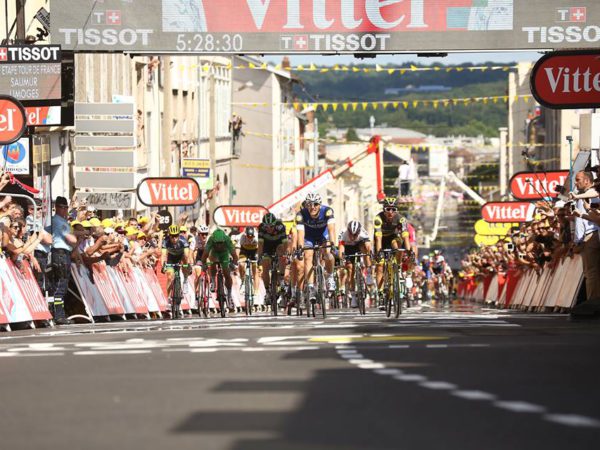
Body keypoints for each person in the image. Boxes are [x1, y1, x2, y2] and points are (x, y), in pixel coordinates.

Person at [295, 192, 336, 303]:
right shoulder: (301, 214)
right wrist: (300, 248)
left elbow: (331, 229)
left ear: (320, 204)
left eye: (315, 204)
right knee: (308, 256)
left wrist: (333, 244)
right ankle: (311, 287)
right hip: (309, 237)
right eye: (309, 204)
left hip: (323, 234)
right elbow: (300, 234)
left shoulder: (327, 211)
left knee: (328, 252)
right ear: (306, 205)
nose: (312, 207)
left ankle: (330, 276)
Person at [570, 171, 600, 319]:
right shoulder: (585, 195)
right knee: (592, 272)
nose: (576, 183)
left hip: (591, 236)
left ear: (587, 180)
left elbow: (587, 220)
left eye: (578, 180)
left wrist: (579, 240)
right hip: (589, 236)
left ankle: (593, 303)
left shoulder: (590, 195)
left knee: (591, 273)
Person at [373, 197, 411, 296]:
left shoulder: (401, 219)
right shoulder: (378, 218)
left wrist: (409, 251)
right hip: (381, 239)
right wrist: (379, 253)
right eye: (388, 209)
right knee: (380, 266)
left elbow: (405, 236)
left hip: (393, 237)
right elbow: (378, 238)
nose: (390, 212)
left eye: (393, 209)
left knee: (398, 246)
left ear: (396, 210)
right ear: (383, 210)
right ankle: (380, 292)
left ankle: (397, 266)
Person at [50, 196, 78, 325]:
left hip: (63, 253)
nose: (64, 210)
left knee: (62, 285)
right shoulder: (58, 221)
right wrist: (79, 235)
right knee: (60, 285)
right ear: (56, 207)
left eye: (66, 207)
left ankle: (59, 313)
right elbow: (72, 239)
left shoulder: (62, 221)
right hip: (60, 253)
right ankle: (58, 315)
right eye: (62, 207)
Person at [201, 228, 238, 310]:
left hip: (224, 254)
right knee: (212, 262)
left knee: (227, 273)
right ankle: (213, 281)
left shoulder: (227, 239)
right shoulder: (211, 239)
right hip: (214, 253)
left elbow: (234, 255)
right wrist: (203, 264)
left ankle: (229, 294)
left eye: (221, 243)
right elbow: (205, 254)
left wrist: (233, 263)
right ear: (213, 240)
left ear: (224, 240)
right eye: (217, 243)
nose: (219, 245)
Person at [339, 220, 373, 308]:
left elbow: (368, 246)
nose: (353, 237)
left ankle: (369, 272)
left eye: (355, 235)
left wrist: (370, 254)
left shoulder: (363, 233)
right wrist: (342, 258)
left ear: (359, 232)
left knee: (365, 250)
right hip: (348, 248)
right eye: (351, 234)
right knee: (350, 270)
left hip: (359, 246)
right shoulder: (343, 234)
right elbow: (341, 250)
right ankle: (353, 296)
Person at [258, 213, 288, 306]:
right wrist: (259, 257)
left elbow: (285, 243)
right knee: (265, 265)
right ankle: (267, 291)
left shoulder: (280, 227)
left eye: (271, 226)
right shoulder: (261, 228)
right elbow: (260, 244)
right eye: (266, 226)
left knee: (281, 252)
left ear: (275, 224)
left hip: (278, 244)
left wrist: (285, 255)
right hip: (267, 246)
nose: (269, 228)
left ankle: (281, 279)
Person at [160, 225, 191, 315]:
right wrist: (163, 265)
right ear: (169, 235)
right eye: (172, 236)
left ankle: (185, 280)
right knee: (170, 277)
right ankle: (169, 300)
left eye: (176, 236)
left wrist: (187, 265)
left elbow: (187, 255)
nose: (174, 238)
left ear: (178, 235)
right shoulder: (166, 241)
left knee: (185, 262)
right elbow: (163, 255)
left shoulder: (183, 240)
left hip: (181, 256)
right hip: (171, 258)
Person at [238, 226, 259, 296]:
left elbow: (260, 248)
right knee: (241, 264)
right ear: (245, 235)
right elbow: (238, 248)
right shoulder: (242, 237)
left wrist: (259, 259)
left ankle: (256, 290)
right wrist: (237, 260)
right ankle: (243, 281)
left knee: (255, 271)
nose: (250, 238)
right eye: (248, 237)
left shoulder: (257, 237)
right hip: (244, 251)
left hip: (254, 252)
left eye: (251, 237)